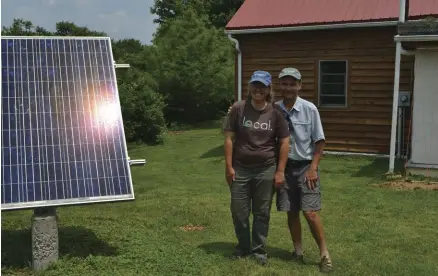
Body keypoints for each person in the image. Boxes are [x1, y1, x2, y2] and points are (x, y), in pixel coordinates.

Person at [223, 70, 290, 266]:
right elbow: (228, 138)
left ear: (269, 89)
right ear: (249, 87)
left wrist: (280, 171)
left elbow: (285, 142)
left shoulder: (276, 113)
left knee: (262, 212)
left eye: (262, 86)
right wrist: (228, 167)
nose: (257, 89)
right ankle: (243, 247)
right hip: (240, 168)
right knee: (239, 211)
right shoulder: (238, 108)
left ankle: (259, 251)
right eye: (254, 85)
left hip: (266, 169)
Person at [275, 67, 333, 273]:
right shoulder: (274, 110)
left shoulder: (310, 109)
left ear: (299, 85)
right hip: (284, 167)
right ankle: (297, 251)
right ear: (279, 85)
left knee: (310, 212)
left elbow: (319, 141)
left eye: (293, 83)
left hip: (305, 167)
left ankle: (324, 254)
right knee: (291, 211)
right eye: (285, 83)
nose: (288, 87)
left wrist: (313, 168)